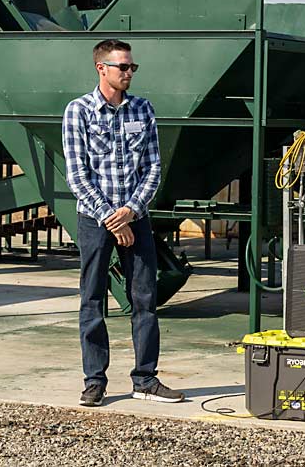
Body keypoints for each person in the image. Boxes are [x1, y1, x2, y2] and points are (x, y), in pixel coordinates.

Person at [62, 39, 184, 407]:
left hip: (136, 218)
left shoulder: (143, 110)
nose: (129, 73)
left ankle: (145, 379)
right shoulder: (78, 111)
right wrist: (111, 219)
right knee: (92, 299)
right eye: (123, 67)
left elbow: (153, 168)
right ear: (102, 68)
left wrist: (130, 211)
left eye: (132, 67)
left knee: (144, 299)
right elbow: (77, 175)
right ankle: (94, 381)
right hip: (95, 220)